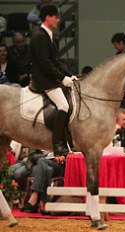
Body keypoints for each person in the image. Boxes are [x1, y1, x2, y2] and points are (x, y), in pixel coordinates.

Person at [30, 4, 76, 156]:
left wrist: (70, 75)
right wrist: (62, 78)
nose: (58, 19)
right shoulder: (39, 35)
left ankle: (67, 140)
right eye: (56, 17)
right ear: (48, 17)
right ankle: (57, 144)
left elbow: (56, 62)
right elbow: (45, 63)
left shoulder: (48, 35)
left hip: (50, 77)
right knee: (63, 105)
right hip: (43, 79)